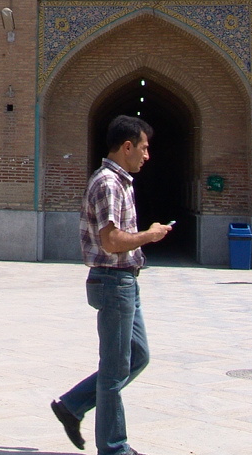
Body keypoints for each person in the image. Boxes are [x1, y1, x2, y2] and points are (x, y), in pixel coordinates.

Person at [50, 115, 172, 455]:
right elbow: (111, 240)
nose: (147, 155)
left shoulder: (122, 182)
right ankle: (114, 448)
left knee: (137, 356)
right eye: (144, 148)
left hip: (124, 282)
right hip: (114, 281)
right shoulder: (108, 183)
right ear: (128, 146)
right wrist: (150, 234)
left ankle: (72, 405)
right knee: (115, 371)